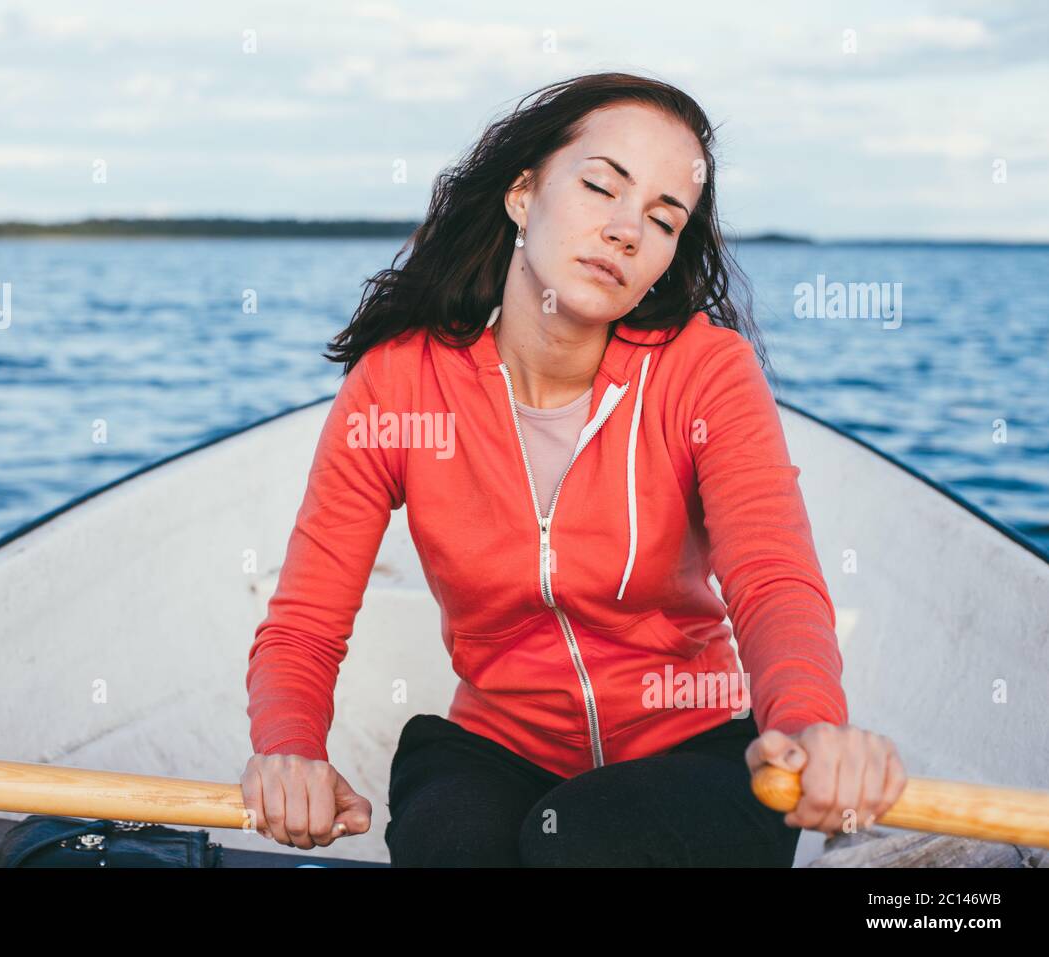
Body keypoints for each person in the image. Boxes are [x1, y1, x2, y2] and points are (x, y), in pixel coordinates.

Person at [240, 71, 908, 866]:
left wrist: (807, 728)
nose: (628, 231)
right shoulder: (399, 383)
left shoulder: (705, 373)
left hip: (698, 749)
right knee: (451, 839)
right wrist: (289, 750)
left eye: (664, 220)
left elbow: (772, 580)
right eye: (601, 186)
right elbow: (306, 625)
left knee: (585, 837)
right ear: (523, 194)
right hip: (496, 749)